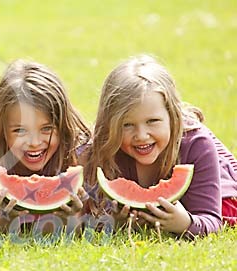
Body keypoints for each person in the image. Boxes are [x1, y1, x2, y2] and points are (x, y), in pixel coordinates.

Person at [83, 54, 237, 239]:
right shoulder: (104, 149)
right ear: (110, 125)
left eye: (153, 121)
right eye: (127, 125)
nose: (141, 136)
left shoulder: (196, 144)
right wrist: (113, 223)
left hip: (220, 186)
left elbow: (212, 220)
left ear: (172, 116)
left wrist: (186, 223)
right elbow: (91, 218)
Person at [0, 60, 91, 234]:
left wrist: (71, 220)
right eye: (20, 130)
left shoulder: (78, 152)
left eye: (47, 128)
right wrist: (2, 222)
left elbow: (90, 229)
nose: (34, 142)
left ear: (62, 126)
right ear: (1, 129)